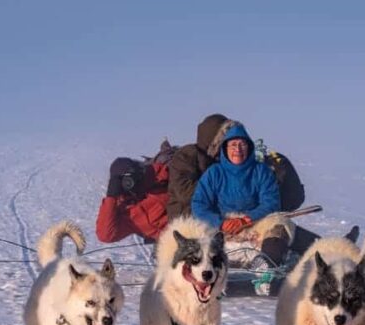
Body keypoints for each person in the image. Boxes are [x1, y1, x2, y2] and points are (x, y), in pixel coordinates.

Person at [191, 122, 314, 265]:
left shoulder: (261, 171)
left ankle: (266, 263)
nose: (237, 149)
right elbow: (199, 204)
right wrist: (221, 223)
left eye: (242, 144)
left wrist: (246, 219)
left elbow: (271, 203)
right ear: (225, 148)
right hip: (221, 227)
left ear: (249, 147)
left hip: (255, 223)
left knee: (281, 226)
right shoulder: (214, 173)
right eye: (233, 145)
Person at [166, 113, 230, 220]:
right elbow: (185, 193)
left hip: (218, 216)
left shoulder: (225, 160)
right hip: (186, 217)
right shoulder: (187, 155)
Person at [95, 156, 170, 243]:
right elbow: (105, 235)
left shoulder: (158, 177)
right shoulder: (125, 212)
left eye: (130, 177)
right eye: (123, 180)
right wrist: (111, 197)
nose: (129, 183)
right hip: (170, 243)